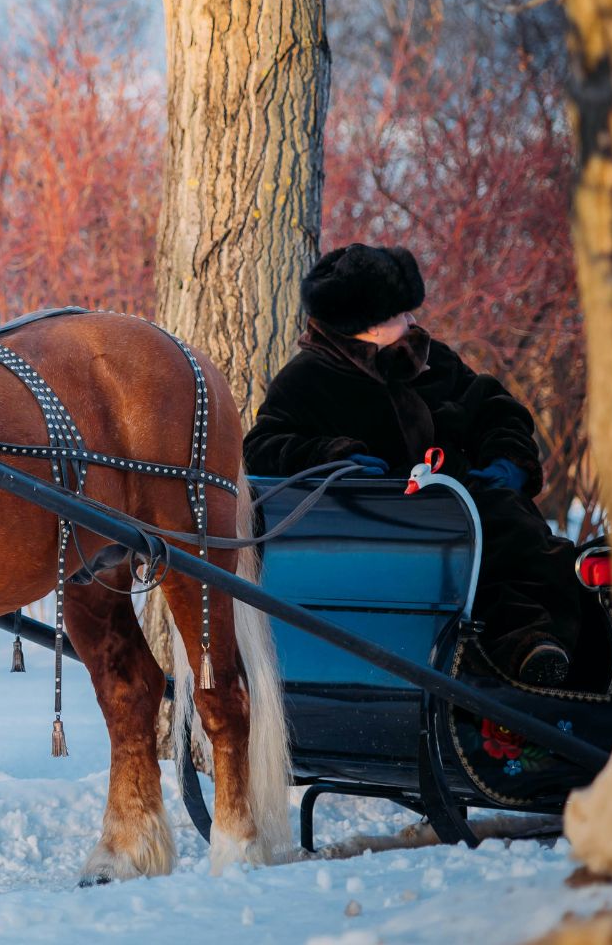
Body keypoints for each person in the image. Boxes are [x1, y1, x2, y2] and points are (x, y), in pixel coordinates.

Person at [245, 244, 580, 688]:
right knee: (508, 551)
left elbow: (495, 409)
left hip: (472, 507)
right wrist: (335, 457)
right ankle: (529, 650)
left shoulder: (430, 359)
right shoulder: (306, 380)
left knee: (530, 553)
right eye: (398, 314)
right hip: (383, 536)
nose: (410, 322)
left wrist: (508, 460)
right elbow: (264, 446)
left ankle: (542, 650)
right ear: (366, 325)